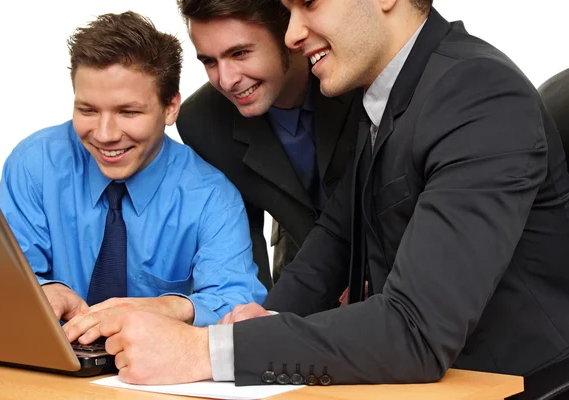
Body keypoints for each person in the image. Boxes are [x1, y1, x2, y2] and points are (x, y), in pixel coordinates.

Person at [96, 0, 569, 388]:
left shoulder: (476, 92)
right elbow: (337, 236)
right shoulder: (391, 93)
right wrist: (262, 318)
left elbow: (415, 332)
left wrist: (203, 351)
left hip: (519, 382)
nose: (292, 34)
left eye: (308, 5)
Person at [0, 11, 266, 344]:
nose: (105, 134)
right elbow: (5, 279)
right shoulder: (34, 164)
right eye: (88, 110)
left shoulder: (212, 196)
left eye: (128, 112)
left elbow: (238, 300)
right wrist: (46, 290)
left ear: (170, 108)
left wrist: (169, 307)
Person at [175, 0, 361, 290]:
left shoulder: (357, 68)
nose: (226, 80)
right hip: (300, 269)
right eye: (209, 61)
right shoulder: (200, 122)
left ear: (290, 34)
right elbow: (240, 249)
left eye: (239, 53)